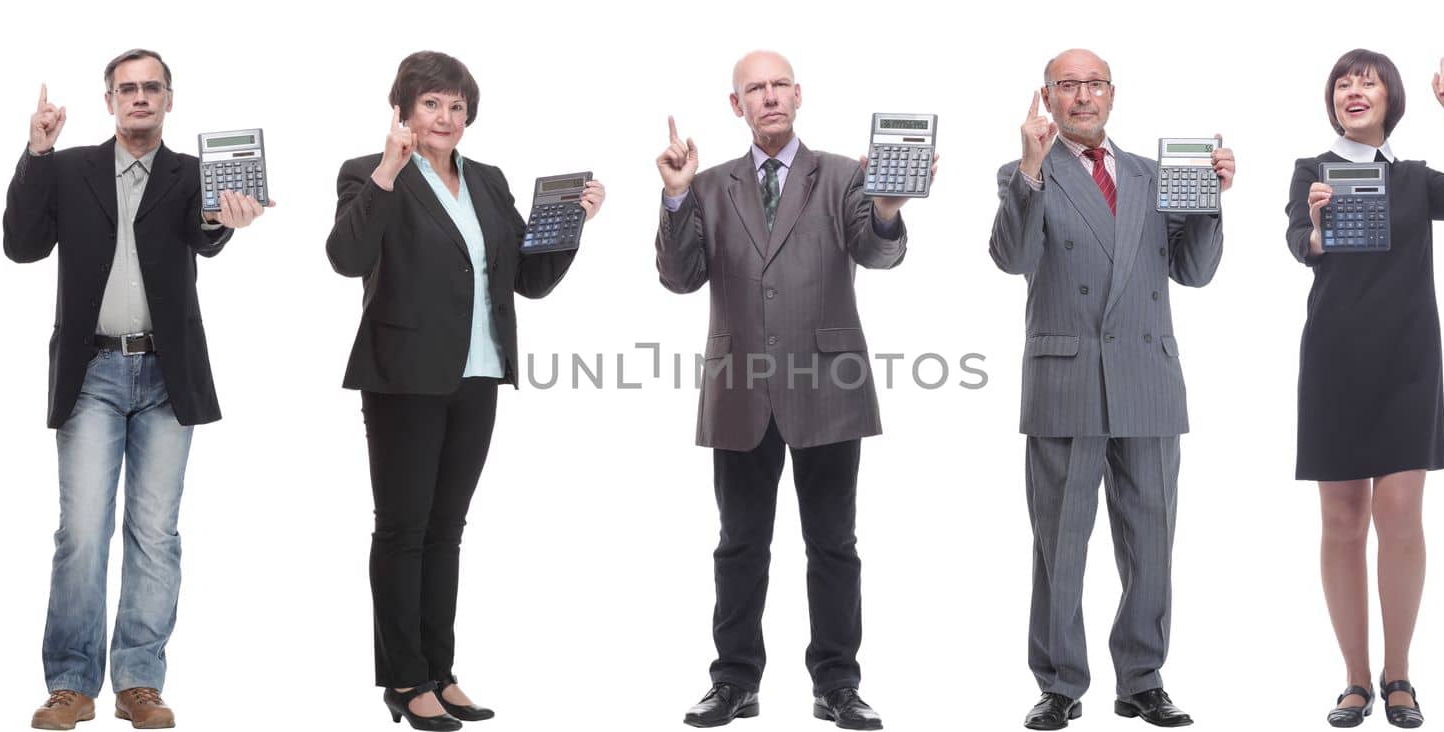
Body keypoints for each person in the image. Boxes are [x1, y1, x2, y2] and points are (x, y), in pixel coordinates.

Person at [326, 50, 605, 731]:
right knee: (403, 530)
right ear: (403, 111)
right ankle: (403, 680)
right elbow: (346, 259)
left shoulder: (488, 179)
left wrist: (570, 229)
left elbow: (527, 280)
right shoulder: (368, 173)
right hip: (403, 376)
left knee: (446, 532)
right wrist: (390, 170)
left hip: (479, 373)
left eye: (455, 106)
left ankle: (439, 673)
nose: (445, 117)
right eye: (431, 105)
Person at [656, 50, 930, 730]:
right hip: (739, 386)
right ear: (737, 105)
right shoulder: (711, 183)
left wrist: (889, 208)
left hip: (829, 386)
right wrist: (677, 196)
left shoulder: (841, 176)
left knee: (833, 543)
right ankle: (734, 683)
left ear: (798, 95)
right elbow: (679, 276)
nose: (770, 97)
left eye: (779, 85)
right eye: (756, 89)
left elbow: (876, 253)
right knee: (739, 545)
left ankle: (837, 684)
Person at [4, 48, 269, 731]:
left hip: (164, 377)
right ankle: (70, 685)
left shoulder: (191, 174)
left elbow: (203, 238)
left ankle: (139, 683)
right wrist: (36, 153)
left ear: (170, 100)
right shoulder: (68, 170)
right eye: (128, 89)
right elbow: (21, 245)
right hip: (91, 374)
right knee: (83, 533)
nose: (140, 98)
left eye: (152, 88)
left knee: (156, 534)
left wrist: (225, 220)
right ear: (110, 101)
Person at [988, 48, 1233, 730]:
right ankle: (1060, 683)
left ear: (1113, 95)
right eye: (1069, 85)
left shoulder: (1160, 177)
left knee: (1151, 541)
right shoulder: (1023, 172)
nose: (1083, 96)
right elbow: (1011, 257)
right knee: (1059, 544)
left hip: (1148, 379)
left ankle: (1143, 679)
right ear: (1048, 97)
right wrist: (1033, 168)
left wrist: (1210, 205)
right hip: (1066, 380)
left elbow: (1196, 271)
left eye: (1094, 84)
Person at [1285, 50, 1444, 729]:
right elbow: (1298, 243)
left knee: (1401, 512)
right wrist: (1317, 226)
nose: (1354, 89)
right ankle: (1355, 679)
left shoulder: (1412, 179)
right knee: (1342, 521)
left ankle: (1398, 673)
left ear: (1389, 99)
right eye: (1344, 82)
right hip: (1335, 359)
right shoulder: (1310, 171)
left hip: (1408, 360)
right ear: (1334, 101)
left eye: (1367, 80)